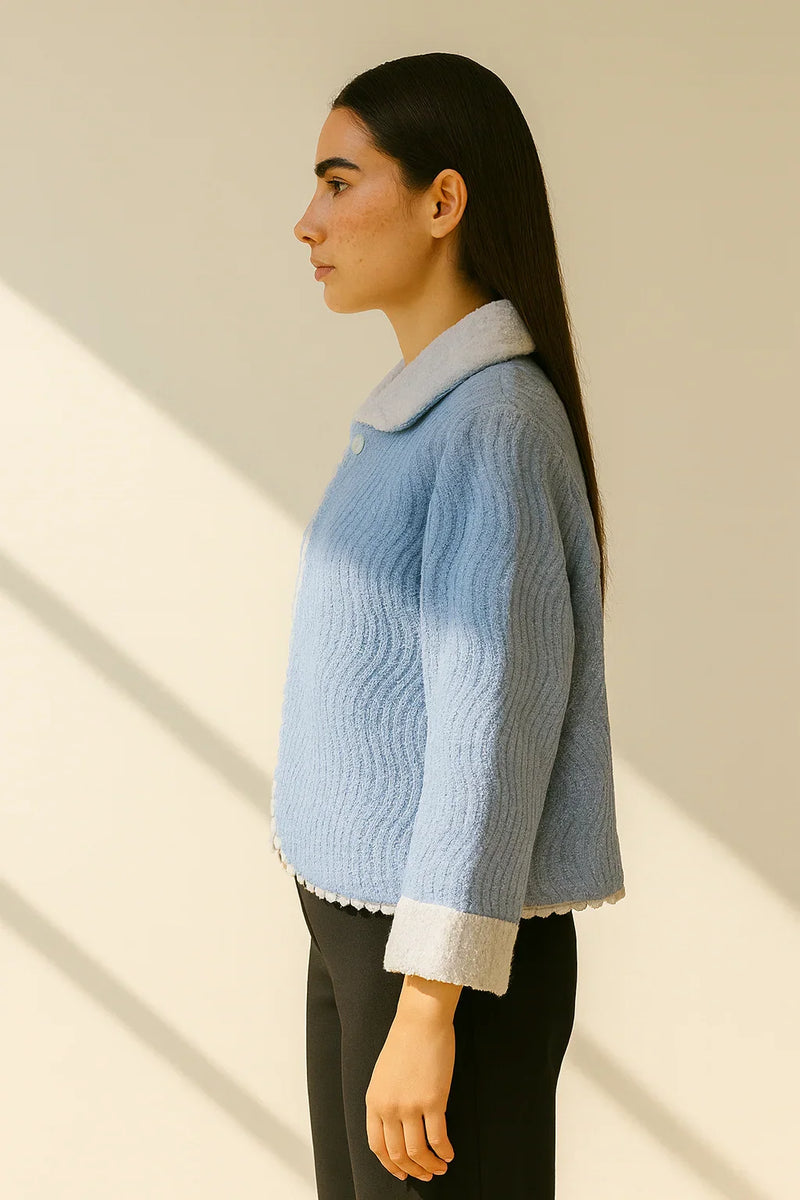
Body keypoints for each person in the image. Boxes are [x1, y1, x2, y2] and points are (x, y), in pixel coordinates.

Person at [274, 51, 626, 1198]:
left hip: (437, 969)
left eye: (338, 181)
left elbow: (491, 738)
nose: (306, 221)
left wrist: (428, 1009)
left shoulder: (495, 428)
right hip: (358, 932)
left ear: (441, 201)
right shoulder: (421, 418)